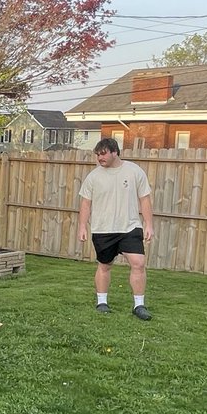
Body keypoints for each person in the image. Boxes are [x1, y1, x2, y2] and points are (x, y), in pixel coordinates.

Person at [76, 137, 155, 320]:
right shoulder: (94, 177)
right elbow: (86, 204)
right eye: (97, 155)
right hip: (103, 228)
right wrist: (82, 226)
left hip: (130, 226)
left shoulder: (134, 171)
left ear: (114, 152)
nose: (99, 158)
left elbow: (144, 199)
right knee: (105, 265)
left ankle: (139, 306)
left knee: (139, 263)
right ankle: (101, 302)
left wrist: (149, 224)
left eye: (103, 154)